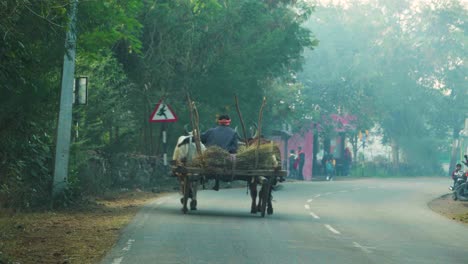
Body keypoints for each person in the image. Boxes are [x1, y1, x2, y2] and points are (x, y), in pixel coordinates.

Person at [201, 114, 238, 191]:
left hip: (209, 158)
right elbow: (234, 148)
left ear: (219, 122)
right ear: (229, 122)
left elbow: (202, 139)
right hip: (225, 159)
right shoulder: (233, 133)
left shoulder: (211, 131)